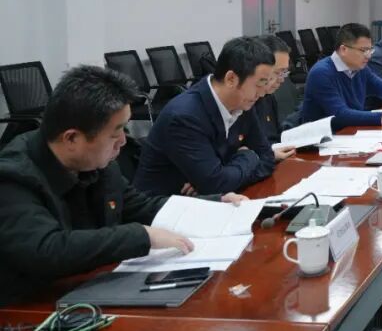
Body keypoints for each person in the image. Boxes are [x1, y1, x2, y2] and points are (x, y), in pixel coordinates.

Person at [0, 66, 246, 306]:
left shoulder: (99, 163)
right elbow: (47, 250)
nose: (123, 141)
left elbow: (140, 206)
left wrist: (216, 204)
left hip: (90, 291)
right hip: (29, 308)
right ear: (72, 138)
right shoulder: (12, 176)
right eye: (115, 133)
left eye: (124, 129)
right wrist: (142, 236)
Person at [135, 37, 278, 196]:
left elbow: (267, 159)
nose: (262, 93)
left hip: (214, 199)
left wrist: (222, 176)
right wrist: (248, 156)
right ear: (231, 79)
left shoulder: (244, 103)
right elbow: (216, 184)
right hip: (168, 205)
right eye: (259, 84)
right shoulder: (184, 116)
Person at [251, 34, 300, 153]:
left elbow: (275, 135)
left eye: (284, 72)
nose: (282, 80)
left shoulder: (268, 97)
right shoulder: (244, 103)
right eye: (278, 72)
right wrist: (271, 153)